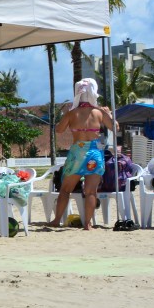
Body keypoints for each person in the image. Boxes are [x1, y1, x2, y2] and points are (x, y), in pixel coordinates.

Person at [46, 78, 118, 230]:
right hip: (95, 153)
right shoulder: (99, 113)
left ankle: (57, 220)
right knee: (91, 191)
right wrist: (109, 114)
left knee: (65, 189)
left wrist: (67, 117)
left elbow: (58, 130)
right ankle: (88, 224)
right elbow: (115, 128)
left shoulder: (72, 113)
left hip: (78, 153)